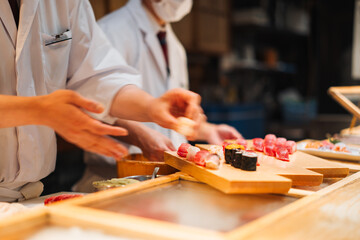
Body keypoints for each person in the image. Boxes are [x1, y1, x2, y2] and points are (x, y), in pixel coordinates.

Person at [0, 0, 202, 202]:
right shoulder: (116, 27)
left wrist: (151, 106)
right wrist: (38, 110)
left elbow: (95, 75)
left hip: (28, 194)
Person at [72, 0, 242, 192]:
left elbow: (173, 117)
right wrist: (138, 136)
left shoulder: (176, 47)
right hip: (114, 178)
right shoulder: (109, 31)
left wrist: (207, 130)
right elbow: (90, 104)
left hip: (170, 180)